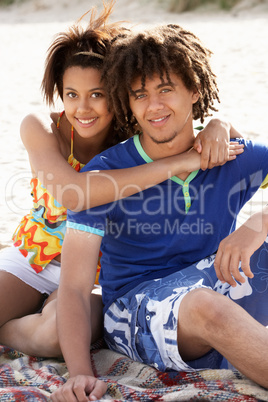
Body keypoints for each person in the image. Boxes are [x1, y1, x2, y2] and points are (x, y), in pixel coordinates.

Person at [0, 2, 243, 357]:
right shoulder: (42, 128)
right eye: (71, 95)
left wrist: (220, 124)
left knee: (55, 338)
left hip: (99, 272)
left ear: (117, 93)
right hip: (35, 256)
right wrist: (178, 164)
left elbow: (200, 130)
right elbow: (73, 195)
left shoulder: (134, 133)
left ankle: (8, 331)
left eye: (97, 95)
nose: (83, 109)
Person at [51, 23, 268, 401]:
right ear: (127, 102)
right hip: (136, 304)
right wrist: (79, 374)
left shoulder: (228, 154)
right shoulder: (105, 176)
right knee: (204, 307)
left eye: (165, 89)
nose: (153, 106)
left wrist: (257, 223)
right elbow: (73, 287)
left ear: (195, 90)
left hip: (213, 278)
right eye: (140, 94)